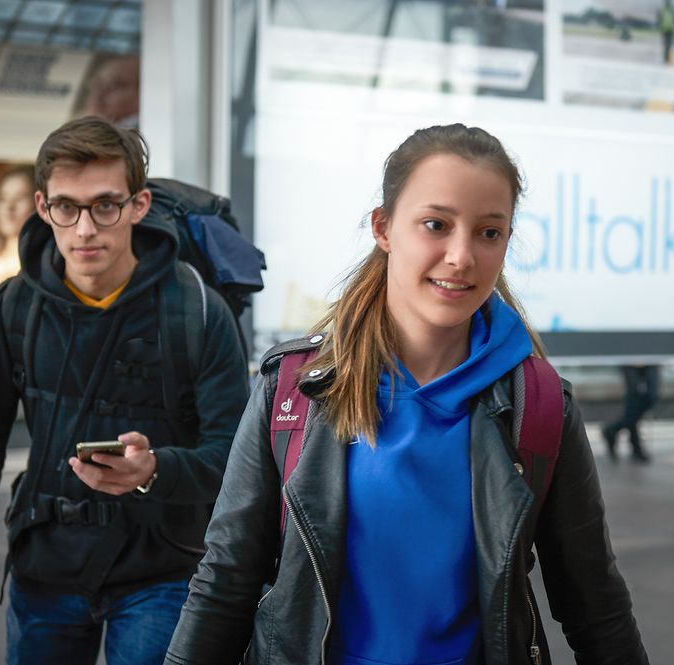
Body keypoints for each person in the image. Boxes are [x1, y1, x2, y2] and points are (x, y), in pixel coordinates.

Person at [163, 124, 648, 665]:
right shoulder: (296, 390)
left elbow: (594, 603)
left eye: (490, 233)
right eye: (436, 225)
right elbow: (226, 579)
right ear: (384, 228)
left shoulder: (539, 405)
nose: (462, 256)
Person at [0, 116, 249, 665]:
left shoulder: (199, 311)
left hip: (164, 571)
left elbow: (238, 458)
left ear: (139, 205)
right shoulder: (17, 307)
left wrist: (155, 471)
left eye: (105, 205)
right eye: (67, 207)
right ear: (43, 207)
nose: (85, 229)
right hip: (46, 567)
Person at [602, 365, 658, 464]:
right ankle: (636, 448)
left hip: (650, 358)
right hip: (630, 360)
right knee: (633, 397)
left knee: (650, 397)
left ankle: (612, 429)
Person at [658, 0, 674, 65]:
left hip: (671, 29)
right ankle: (666, 59)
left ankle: (669, 59)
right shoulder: (662, 9)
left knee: (670, 45)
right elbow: (659, 18)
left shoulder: (673, 9)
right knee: (666, 45)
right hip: (664, 29)